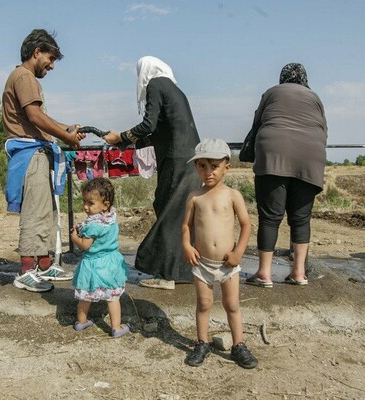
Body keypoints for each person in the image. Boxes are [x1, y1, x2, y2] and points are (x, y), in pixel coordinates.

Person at [104, 56, 201, 290]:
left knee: (168, 208)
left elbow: (148, 124)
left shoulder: (156, 84)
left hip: (176, 157)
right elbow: (157, 131)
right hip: (189, 156)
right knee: (176, 210)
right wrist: (126, 143)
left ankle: (165, 274)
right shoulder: (174, 89)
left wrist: (121, 137)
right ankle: (184, 270)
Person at [2, 28, 85, 292]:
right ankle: (26, 271)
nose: (51, 66)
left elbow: (39, 121)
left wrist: (65, 129)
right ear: (36, 53)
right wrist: (66, 136)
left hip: (38, 151)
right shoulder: (24, 77)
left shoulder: (23, 77)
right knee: (35, 213)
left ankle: (45, 265)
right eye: (50, 59)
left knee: (46, 211)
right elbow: (36, 117)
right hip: (31, 154)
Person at [245, 63, 328, 288]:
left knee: (270, 217)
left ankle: (264, 273)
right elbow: (324, 130)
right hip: (310, 156)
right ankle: (298, 273)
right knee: (301, 217)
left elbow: (257, 122)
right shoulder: (314, 97)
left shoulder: (272, 92)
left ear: (282, 78)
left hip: (273, 154)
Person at [181, 138, 258, 369]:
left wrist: (238, 252)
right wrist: (187, 245)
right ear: (196, 167)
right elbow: (186, 225)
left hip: (228, 264)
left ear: (227, 167)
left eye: (214, 166)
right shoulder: (194, 196)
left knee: (232, 304)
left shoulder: (233, 195)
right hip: (202, 263)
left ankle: (239, 345)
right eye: (202, 166)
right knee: (204, 303)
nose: (208, 172)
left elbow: (246, 225)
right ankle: (202, 343)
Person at [70, 178, 130, 337]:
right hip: (110, 263)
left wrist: (74, 237)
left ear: (105, 204)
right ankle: (116, 327)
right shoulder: (110, 219)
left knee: (86, 295)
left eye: (90, 203)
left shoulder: (93, 226)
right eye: (84, 202)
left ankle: (81, 322)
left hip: (92, 264)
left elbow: (85, 245)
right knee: (112, 297)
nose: (85, 207)